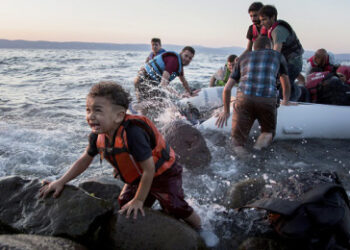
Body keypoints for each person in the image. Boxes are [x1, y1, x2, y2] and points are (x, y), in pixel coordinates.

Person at [39, 81, 205, 231]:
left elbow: (149, 169)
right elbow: (84, 160)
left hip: (163, 173)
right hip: (138, 176)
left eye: (98, 110)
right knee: (124, 204)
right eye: (88, 110)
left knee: (175, 206)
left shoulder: (133, 134)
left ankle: (201, 228)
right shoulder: (97, 136)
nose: (91, 116)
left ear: (119, 115)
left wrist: (139, 200)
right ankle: (154, 217)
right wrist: (60, 181)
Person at [215, 36, 291, 156]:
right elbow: (285, 83)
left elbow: (227, 88)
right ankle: (257, 151)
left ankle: (245, 159)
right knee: (267, 132)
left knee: (237, 142)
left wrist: (225, 111)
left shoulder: (243, 58)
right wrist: (286, 100)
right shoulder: (277, 56)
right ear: (268, 46)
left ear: (254, 47)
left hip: (244, 99)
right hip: (267, 99)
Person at [259, 5, 304, 101]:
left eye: (264, 20)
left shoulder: (277, 31)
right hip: (290, 61)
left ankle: (291, 101)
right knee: (283, 83)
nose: (262, 23)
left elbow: (276, 52)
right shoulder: (274, 29)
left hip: (293, 63)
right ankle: (299, 92)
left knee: (284, 86)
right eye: (261, 20)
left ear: (273, 17)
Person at [134, 46, 199, 99]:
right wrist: (179, 95)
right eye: (186, 56)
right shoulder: (174, 62)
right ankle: (135, 108)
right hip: (144, 80)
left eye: (190, 58)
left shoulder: (179, 66)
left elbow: (183, 81)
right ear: (181, 53)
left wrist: (190, 93)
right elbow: (163, 84)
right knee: (157, 104)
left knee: (159, 102)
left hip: (146, 79)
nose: (187, 59)